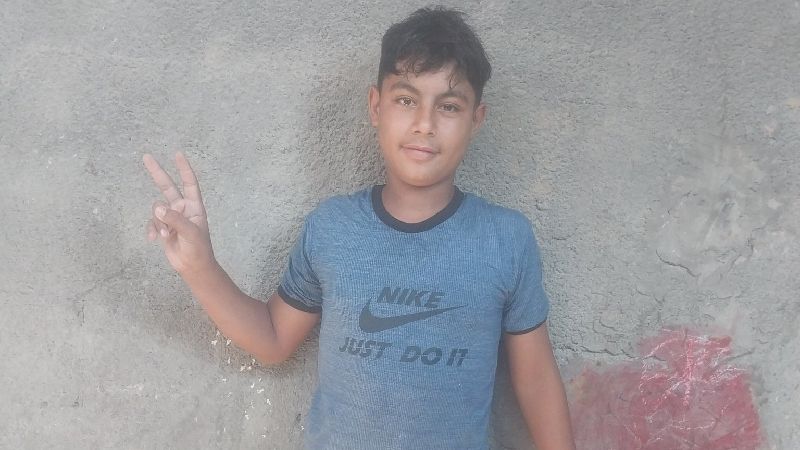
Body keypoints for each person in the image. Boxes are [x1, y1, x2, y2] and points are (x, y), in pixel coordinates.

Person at [143, 6, 575, 450]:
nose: (424, 124)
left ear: (475, 121)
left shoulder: (505, 240)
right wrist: (199, 267)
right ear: (375, 106)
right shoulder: (332, 228)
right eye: (406, 100)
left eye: (448, 106)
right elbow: (273, 340)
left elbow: (536, 380)